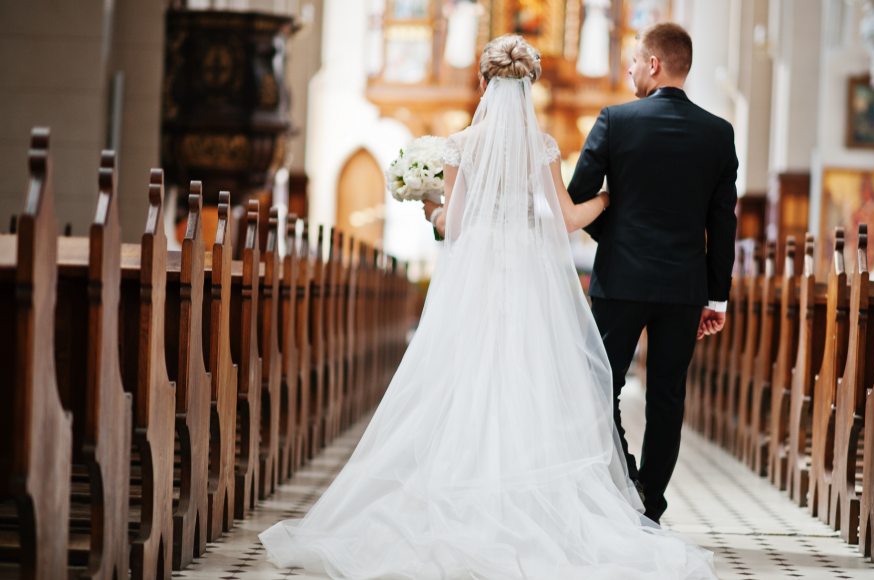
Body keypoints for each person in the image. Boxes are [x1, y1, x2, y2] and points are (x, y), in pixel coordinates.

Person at [260, 34, 717, 579]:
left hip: (477, 270)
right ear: (528, 87)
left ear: (482, 84)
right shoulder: (543, 146)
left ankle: (462, 488)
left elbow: (452, 225)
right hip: (527, 269)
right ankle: (553, 501)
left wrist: (429, 210)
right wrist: (610, 198)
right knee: (529, 377)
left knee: (468, 377)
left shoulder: (460, 146)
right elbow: (568, 220)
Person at [567, 22, 738, 523]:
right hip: (684, 289)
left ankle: (624, 479)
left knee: (602, 385)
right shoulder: (717, 133)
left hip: (621, 280)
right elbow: (721, 223)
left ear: (655, 65)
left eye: (636, 61)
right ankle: (650, 504)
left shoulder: (616, 121)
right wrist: (716, 297)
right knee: (667, 395)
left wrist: (617, 236)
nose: (630, 69)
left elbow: (578, 198)